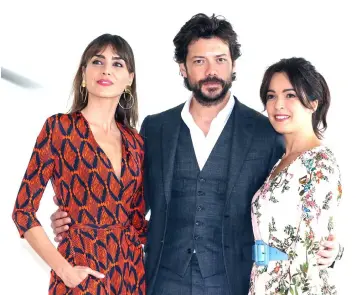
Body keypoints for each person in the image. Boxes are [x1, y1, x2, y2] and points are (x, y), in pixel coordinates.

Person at [50, 14, 342, 295]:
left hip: (235, 282)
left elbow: (291, 201)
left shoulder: (266, 132)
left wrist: (333, 249)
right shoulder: (155, 128)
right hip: (161, 280)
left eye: (220, 60)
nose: (211, 70)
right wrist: (76, 214)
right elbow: (128, 202)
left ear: (233, 65)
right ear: (183, 68)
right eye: (199, 61)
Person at [12, 33, 147, 295]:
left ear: (129, 78)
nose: (106, 69)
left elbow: (137, 220)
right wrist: (65, 271)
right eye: (97, 61)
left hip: (131, 274)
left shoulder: (136, 142)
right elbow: (22, 212)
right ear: (83, 73)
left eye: (117, 63)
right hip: (82, 270)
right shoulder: (59, 129)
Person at [248, 57, 343, 295]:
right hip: (264, 283)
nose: (278, 104)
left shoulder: (318, 164)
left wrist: (336, 251)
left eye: (290, 95)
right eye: (271, 96)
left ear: (313, 103)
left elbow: (311, 251)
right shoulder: (282, 160)